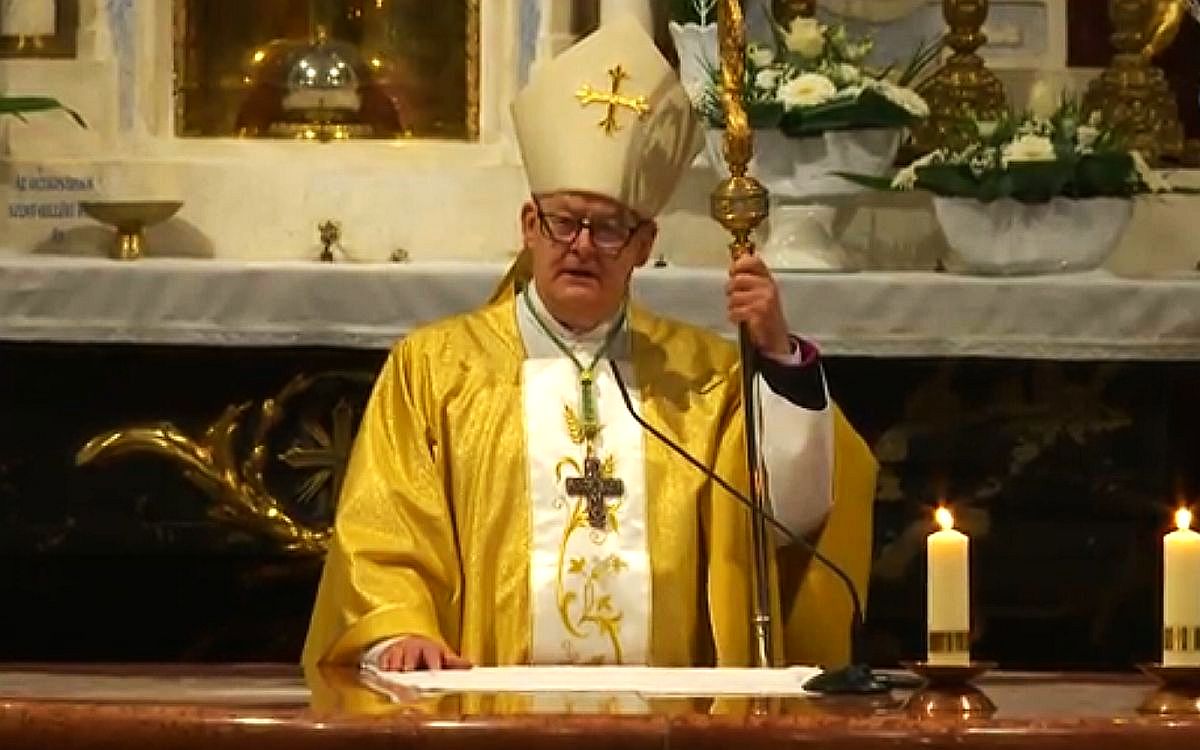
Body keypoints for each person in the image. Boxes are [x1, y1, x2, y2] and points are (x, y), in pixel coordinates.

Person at [303, 14, 877, 673]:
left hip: (667, 713)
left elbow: (788, 517)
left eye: (607, 229)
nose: (581, 246)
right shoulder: (434, 369)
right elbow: (385, 527)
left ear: (644, 246)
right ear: (530, 226)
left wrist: (777, 357)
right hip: (487, 702)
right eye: (564, 222)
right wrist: (400, 630)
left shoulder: (702, 380)